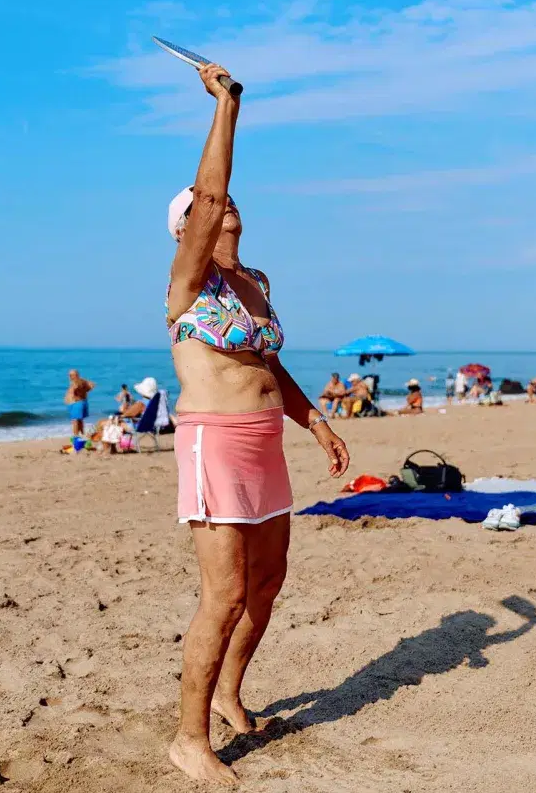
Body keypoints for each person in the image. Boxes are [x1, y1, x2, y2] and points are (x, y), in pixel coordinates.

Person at [163, 62, 350, 786]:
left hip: (266, 443)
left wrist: (317, 422)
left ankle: (232, 698)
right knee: (226, 594)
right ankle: (188, 737)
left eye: (235, 205)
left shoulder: (255, 284)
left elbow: (273, 367)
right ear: (187, 229)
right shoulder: (188, 284)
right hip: (215, 442)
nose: (227, 210)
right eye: (213, 210)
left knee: (267, 582)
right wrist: (226, 109)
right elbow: (208, 193)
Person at [64, 369, 94, 437]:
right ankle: (82, 435)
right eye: (69, 375)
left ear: (75, 375)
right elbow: (92, 385)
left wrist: (76, 393)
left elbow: (75, 389)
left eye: (71, 375)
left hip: (76, 403)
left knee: (75, 421)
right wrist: (84, 391)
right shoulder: (82, 381)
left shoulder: (76, 382)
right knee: (79, 420)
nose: (69, 376)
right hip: (81, 402)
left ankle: (76, 437)